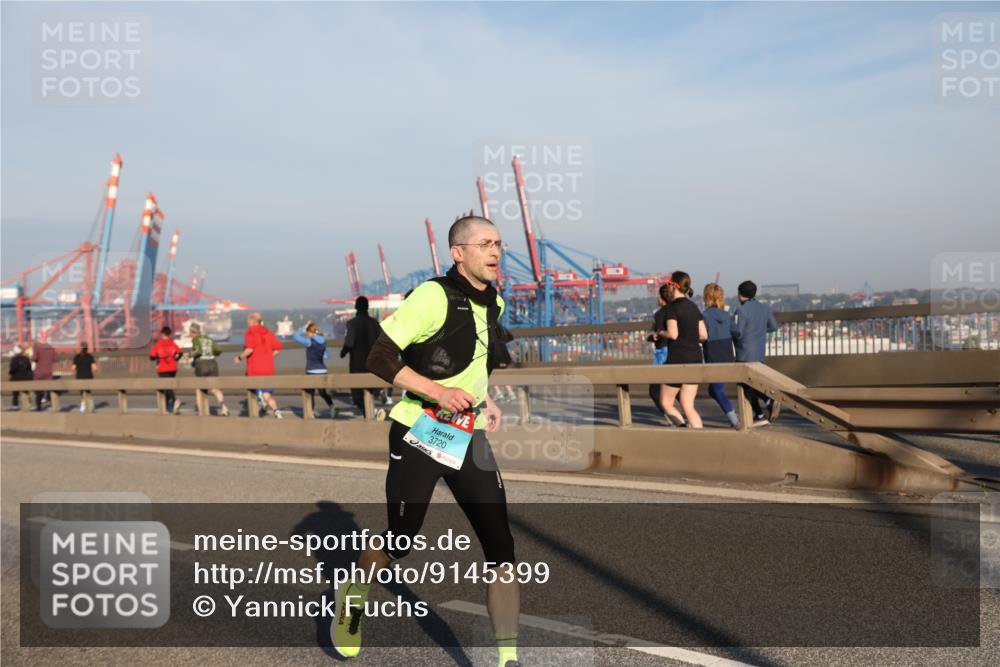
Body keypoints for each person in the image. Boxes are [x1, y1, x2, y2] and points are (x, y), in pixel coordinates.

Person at [331, 215, 519, 667]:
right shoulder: (432, 296)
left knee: (502, 549)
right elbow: (379, 355)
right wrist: (438, 393)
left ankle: (508, 659)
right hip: (419, 430)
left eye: (499, 243)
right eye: (484, 244)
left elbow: (471, 363)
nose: (495, 252)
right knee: (400, 540)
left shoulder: (495, 303)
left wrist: (484, 399)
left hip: (467, 433)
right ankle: (353, 593)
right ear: (458, 253)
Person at [658, 271, 708, 428]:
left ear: (673, 285)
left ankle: (683, 429)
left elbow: (673, 334)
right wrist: (690, 338)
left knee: (666, 402)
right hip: (695, 358)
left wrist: (660, 333)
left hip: (678, 359)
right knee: (688, 405)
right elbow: (704, 335)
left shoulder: (672, 308)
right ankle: (700, 438)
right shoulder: (694, 307)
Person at [731, 280, 779, 425]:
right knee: (751, 384)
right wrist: (759, 331)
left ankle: (766, 403)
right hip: (759, 352)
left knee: (746, 385)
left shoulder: (741, 310)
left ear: (740, 294)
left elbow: (738, 332)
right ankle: (760, 412)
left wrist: (729, 326)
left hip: (744, 352)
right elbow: (774, 326)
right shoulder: (764, 308)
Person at [701, 284, 740, 429]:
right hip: (728, 353)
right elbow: (736, 332)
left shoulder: (704, 315)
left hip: (713, 353)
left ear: (707, 297)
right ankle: (733, 415)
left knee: (716, 389)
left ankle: (735, 420)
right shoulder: (726, 315)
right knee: (714, 389)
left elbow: (702, 336)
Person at [340, 296, 383, 418]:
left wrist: (343, 352)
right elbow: (382, 342)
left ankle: (370, 414)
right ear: (368, 307)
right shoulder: (375, 323)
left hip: (357, 364)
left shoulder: (352, 324)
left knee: (358, 396)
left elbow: (349, 343)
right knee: (371, 391)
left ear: (356, 307)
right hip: (373, 364)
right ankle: (371, 413)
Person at [235, 312, 284, 418]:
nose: (247, 323)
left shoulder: (250, 332)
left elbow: (249, 349)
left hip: (255, 369)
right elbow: (278, 349)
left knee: (256, 390)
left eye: (248, 321)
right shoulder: (269, 333)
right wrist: (269, 357)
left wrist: (239, 358)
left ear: (251, 321)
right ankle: (277, 412)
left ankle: (260, 400)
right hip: (268, 369)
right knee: (267, 395)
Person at [292, 321, 336, 418]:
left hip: (311, 370)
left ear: (309, 332)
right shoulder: (323, 342)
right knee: (323, 392)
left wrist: (304, 326)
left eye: (307, 333)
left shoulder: (309, 342)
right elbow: (327, 356)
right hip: (322, 370)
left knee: (310, 393)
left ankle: (310, 412)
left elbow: (295, 336)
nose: (306, 335)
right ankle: (332, 406)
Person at [189, 322, 230, 416]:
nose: (190, 334)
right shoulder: (209, 339)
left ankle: (200, 412)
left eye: (190, 332)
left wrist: (189, 355)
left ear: (193, 332)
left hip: (202, 365)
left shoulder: (195, 339)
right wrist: (212, 354)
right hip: (212, 364)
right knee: (215, 388)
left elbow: (198, 351)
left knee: (199, 389)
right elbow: (219, 350)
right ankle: (224, 408)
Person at [647, 284, 671, 416]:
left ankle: (671, 417)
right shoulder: (677, 311)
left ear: (662, 298)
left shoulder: (659, 314)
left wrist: (652, 336)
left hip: (662, 353)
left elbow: (659, 333)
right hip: (677, 352)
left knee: (654, 390)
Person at [150, 326, 184, 414]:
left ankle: (175, 400)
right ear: (169, 334)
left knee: (166, 386)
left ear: (162, 334)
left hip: (163, 368)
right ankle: (167, 408)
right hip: (173, 368)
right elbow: (180, 353)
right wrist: (175, 359)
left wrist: (158, 358)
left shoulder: (159, 344)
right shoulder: (172, 343)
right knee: (168, 387)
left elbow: (152, 356)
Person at [32, 334, 56, 411]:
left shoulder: (37, 346)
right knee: (49, 388)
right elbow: (55, 358)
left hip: (39, 371)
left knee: (38, 390)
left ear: (41, 338)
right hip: (48, 371)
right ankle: (52, 403)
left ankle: (39, 407)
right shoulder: (51, 347)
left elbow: (34, 358)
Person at [71, 343, 98, 413]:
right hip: (88, 376)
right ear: (87, 348)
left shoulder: (77, 357)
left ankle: (83, 406)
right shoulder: (90, 357)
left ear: (80, 348)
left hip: (80, 376)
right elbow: (94, 368)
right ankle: (91, 406)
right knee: (88, 392)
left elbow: (73, 368)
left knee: (82, 392)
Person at [8, 345, 33, 410]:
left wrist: (10, 372)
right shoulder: (26, 358)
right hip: (26, 378)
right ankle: (27, 404)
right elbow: (29, 369)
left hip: (16, 378)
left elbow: (12, 369)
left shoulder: (14, 359)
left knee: (15, 393)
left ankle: (15, 405)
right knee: (26, 392)